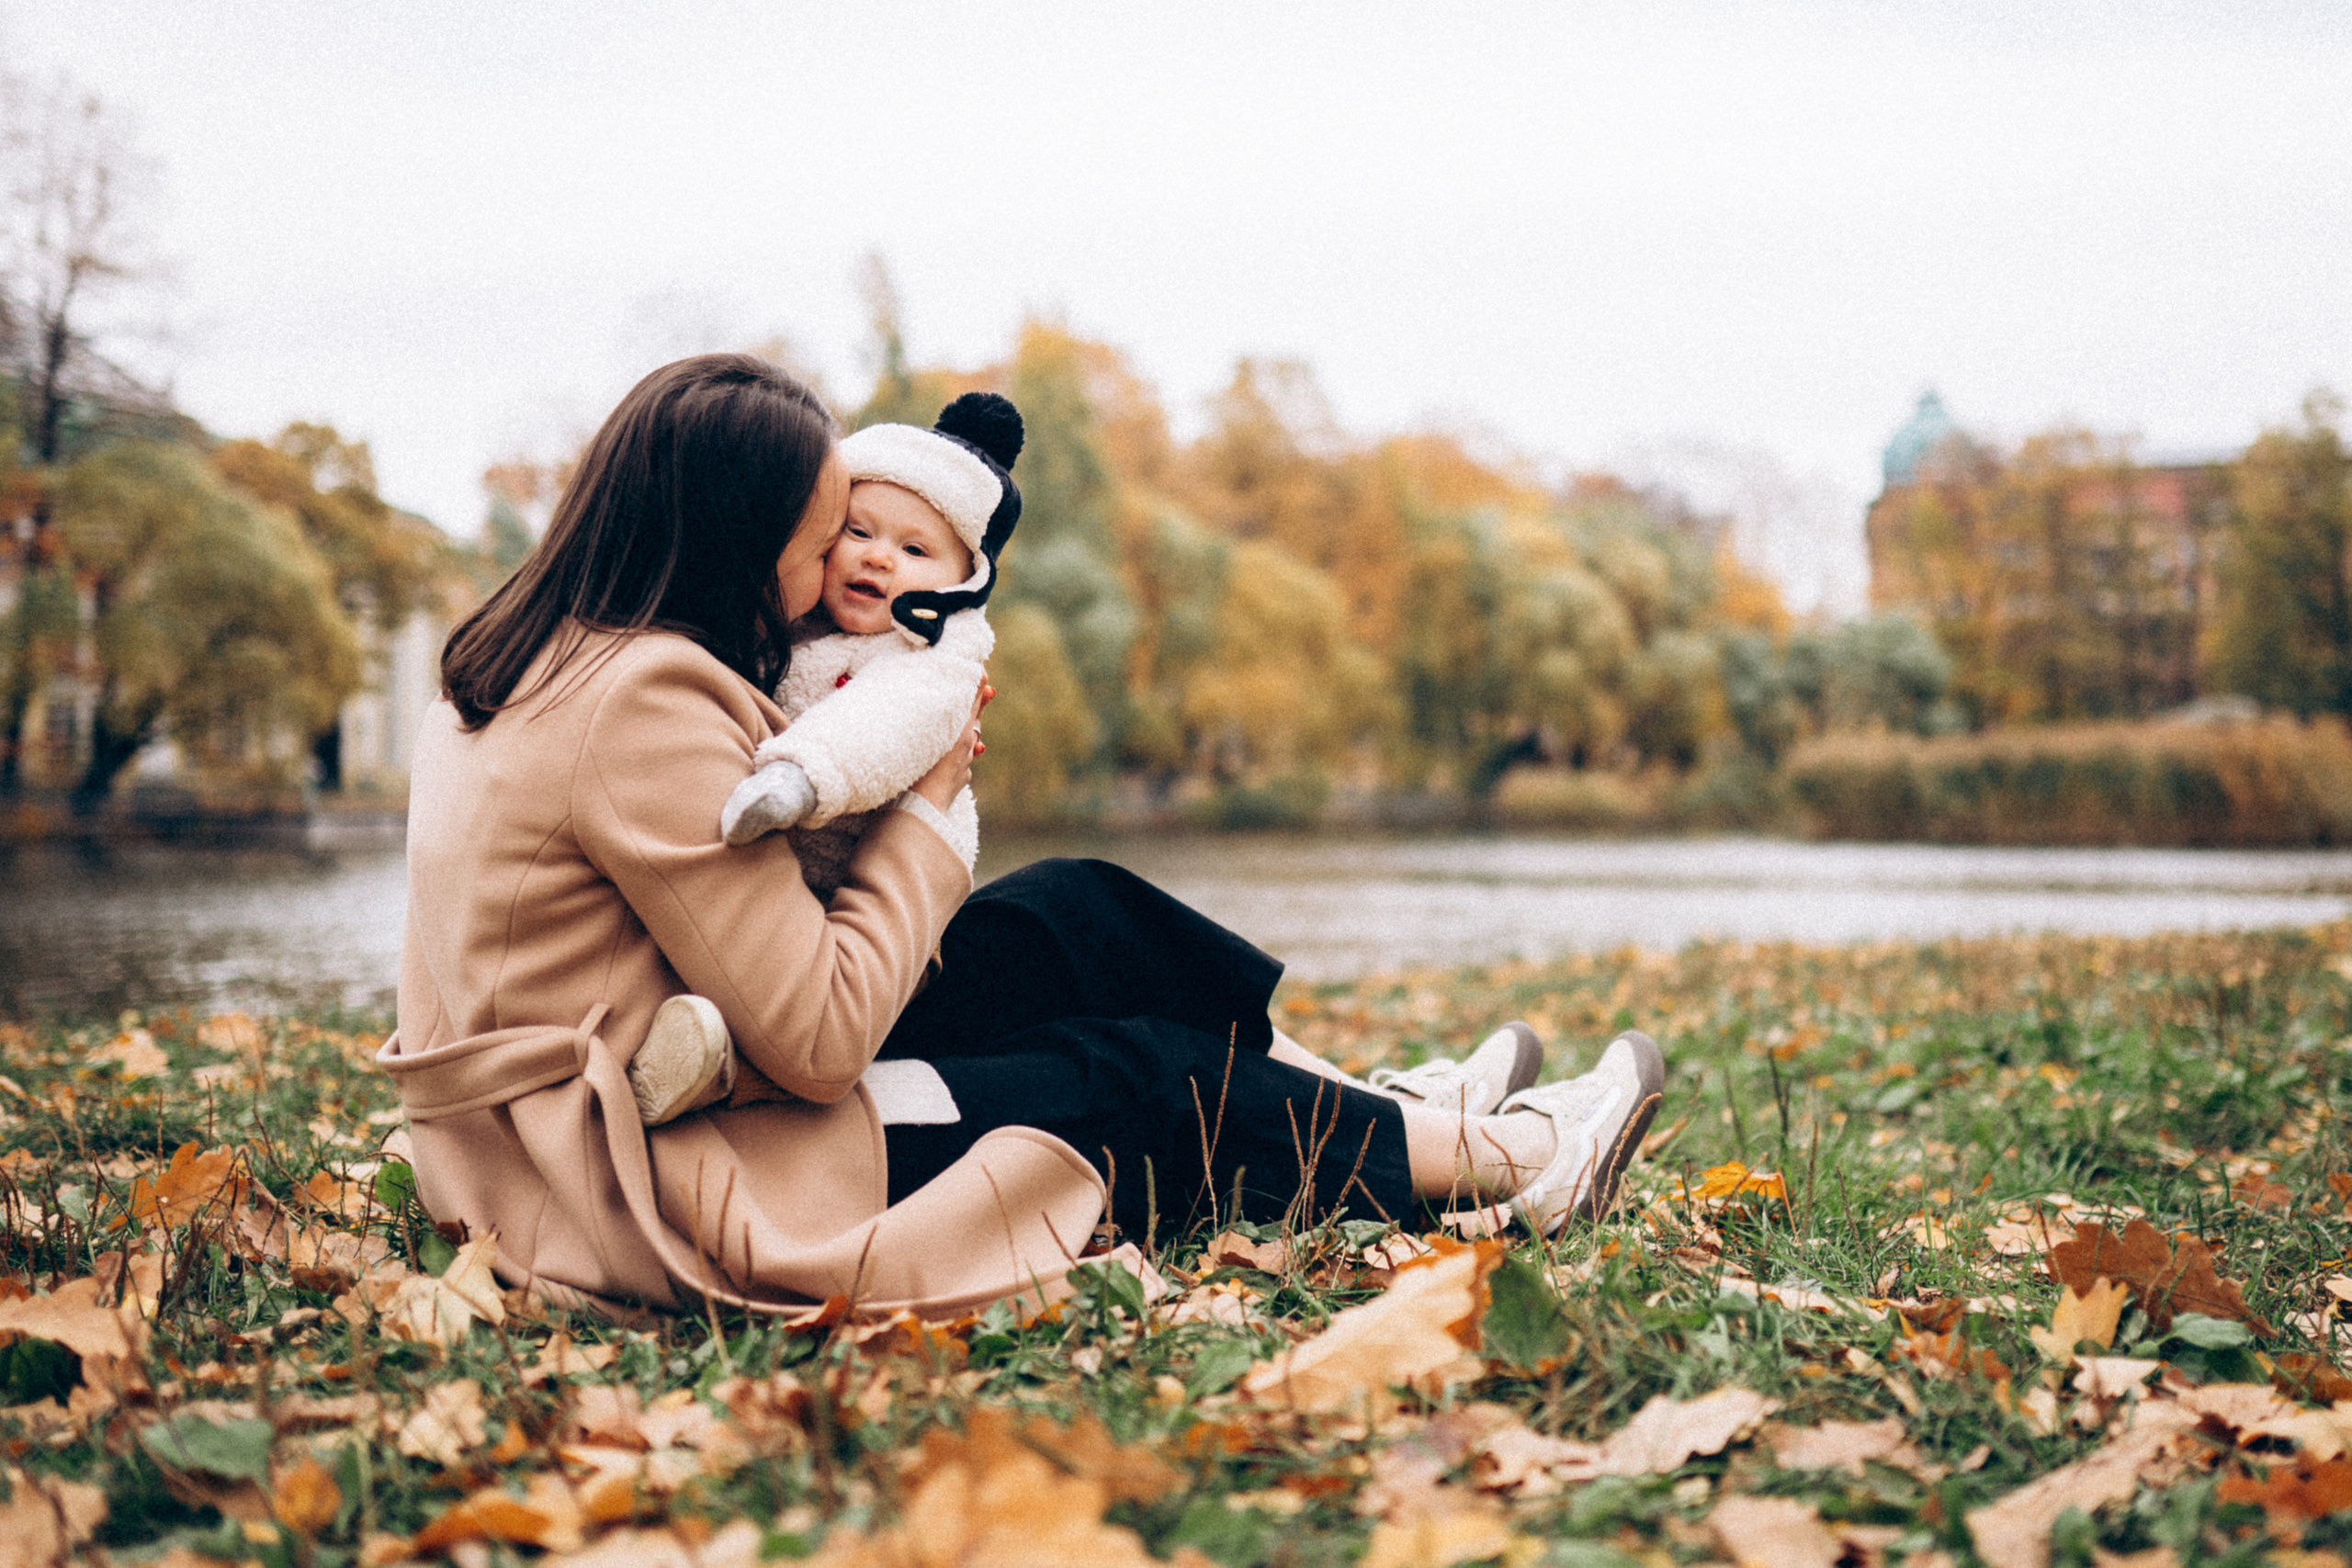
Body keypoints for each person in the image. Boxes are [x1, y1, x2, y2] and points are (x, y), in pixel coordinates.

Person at [380, 353, 1666, 1326]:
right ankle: (1506, 1163)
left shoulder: (515, 655)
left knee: (1068, 912)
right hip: (651, 1171)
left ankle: (1368, 1105)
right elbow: (823, 1040)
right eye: (824, 527)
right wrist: (930, 801)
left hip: (604, 1106)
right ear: (739, 532)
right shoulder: (647, 701)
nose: (848, 554)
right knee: (1132, 1077)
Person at [714, 393, 1025, 899]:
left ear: (964, 582)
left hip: (879, 886)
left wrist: (798, 778)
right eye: (858, 531)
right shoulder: (799, 616)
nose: (878, 557)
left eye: (914, 549)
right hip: (777, 876)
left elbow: (882, 722)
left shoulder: (936, 660)